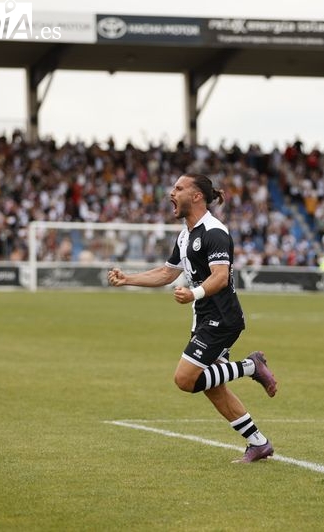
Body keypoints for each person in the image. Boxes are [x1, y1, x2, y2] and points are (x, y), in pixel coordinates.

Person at [107, 173, 278, 463]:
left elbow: (221, 277)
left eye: (178, 188)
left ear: (196, 196)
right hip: (204, 320)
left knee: (186, 379)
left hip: (222, 319)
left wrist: (194, 293)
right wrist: (128, 279)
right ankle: (258, 443)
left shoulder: (214, 232)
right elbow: (167, 272)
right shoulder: (186, 234)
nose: (171, 193)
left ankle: (252, 366)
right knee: (212, 388)